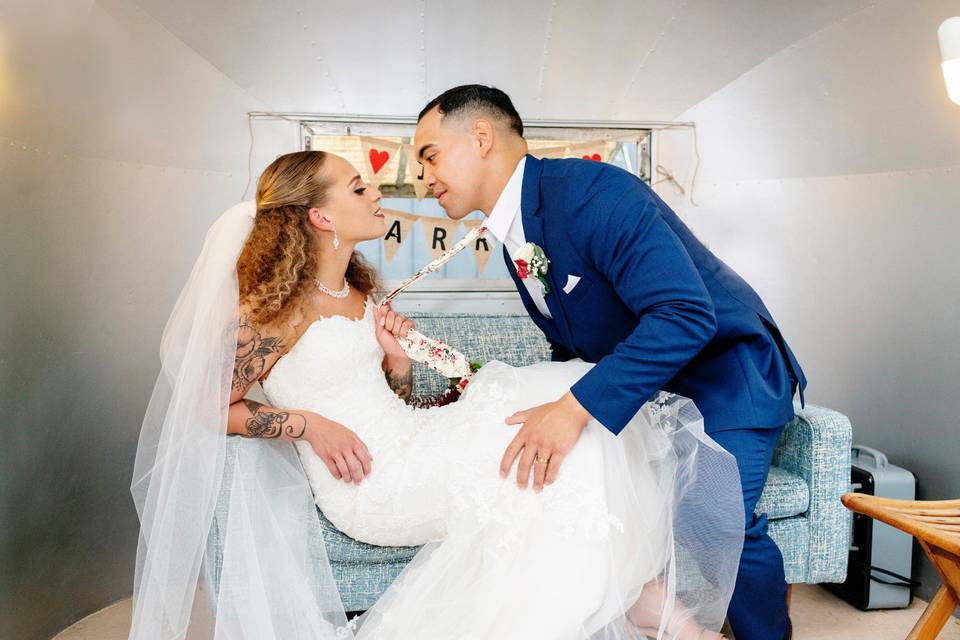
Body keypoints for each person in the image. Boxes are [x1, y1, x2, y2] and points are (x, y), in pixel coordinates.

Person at [129, 150, 743, 640]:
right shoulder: (270, 313)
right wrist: (308, 425)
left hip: (408, 441)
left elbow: (389, 397)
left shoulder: (360, 292)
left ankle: (661, 615)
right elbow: (209, 408)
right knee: (547, 435)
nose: (378, 193)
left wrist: (397, 361)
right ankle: (661, 617)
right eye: (357, 188)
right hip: (370, 481)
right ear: (318, 215)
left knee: (563, 413)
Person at [413, 84, 809, 640]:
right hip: (655, 388)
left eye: (429, 156)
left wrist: (574, 408)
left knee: (719, 522)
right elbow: (576, 341)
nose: (423, 178)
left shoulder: (594, 193)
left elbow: (684, 314)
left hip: (728, 372)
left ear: (481, 137)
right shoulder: (514, 235)